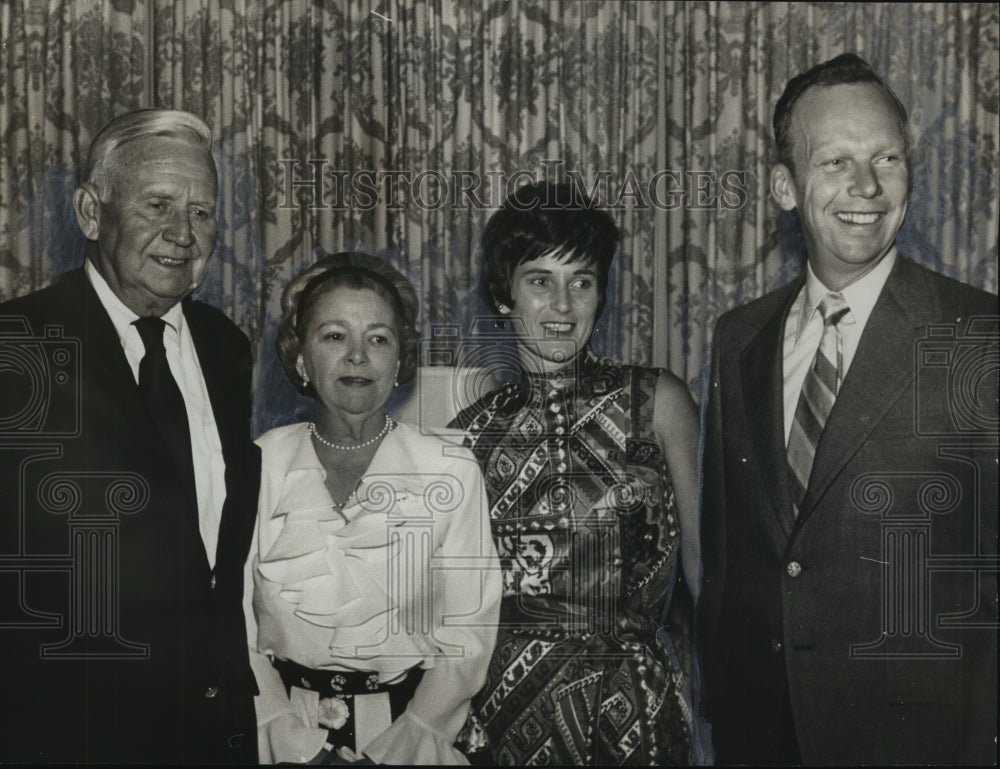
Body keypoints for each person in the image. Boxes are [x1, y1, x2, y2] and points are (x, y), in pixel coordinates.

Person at [699, 52, 999, 765]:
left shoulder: (978, 336)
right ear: (783, 185)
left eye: (886, 158)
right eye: (834, 160)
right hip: (762, 730)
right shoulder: (738, 338)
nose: (865, 186)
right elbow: (729, 554)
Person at [0, 109, 260, 762]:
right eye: (159, 205)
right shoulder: (17, 347)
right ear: (92, 212)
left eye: (202, 212)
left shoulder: (227, 348)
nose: (183, 235)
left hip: (211, 737)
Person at [449, 182, 702, 765]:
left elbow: (704, 570)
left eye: (581, 282)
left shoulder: (657, 402)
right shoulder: (468, 435)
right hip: (503, 712)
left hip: (631, 707)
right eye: (540, 281)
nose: (563, 306)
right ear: (504, 295)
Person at [247, 251, 502, 764]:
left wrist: (395, 751)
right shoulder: (259, 464)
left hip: (411, 743)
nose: (358, 356)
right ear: (301, 356)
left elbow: (468, 634)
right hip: (283, 742)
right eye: (335, 336)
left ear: (400, 360)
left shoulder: (449, 468)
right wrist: (295, 747)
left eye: (378, 338)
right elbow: (234, 628)